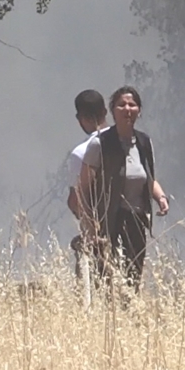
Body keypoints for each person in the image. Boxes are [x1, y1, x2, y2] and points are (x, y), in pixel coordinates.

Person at [75, 85, 169, 289]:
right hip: (108, 221)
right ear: (112, 111)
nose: (127, 109)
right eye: (122, 105)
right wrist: (91, 225)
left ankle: (129, 315)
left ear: (139, 110)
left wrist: (160, 198)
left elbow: (148, 178)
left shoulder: (144, 143)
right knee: (106, 278)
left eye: (132, 105)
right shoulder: (100, 144)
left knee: (132, 277)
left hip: (136, 219)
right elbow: (82, 188)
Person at [66, 90, 108, 276]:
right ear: (105, 111)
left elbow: (76, 201)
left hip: (96, 238)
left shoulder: (81, 153)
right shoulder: (128, 143)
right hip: (130, 233)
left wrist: (88, 226)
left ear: (80, 117)